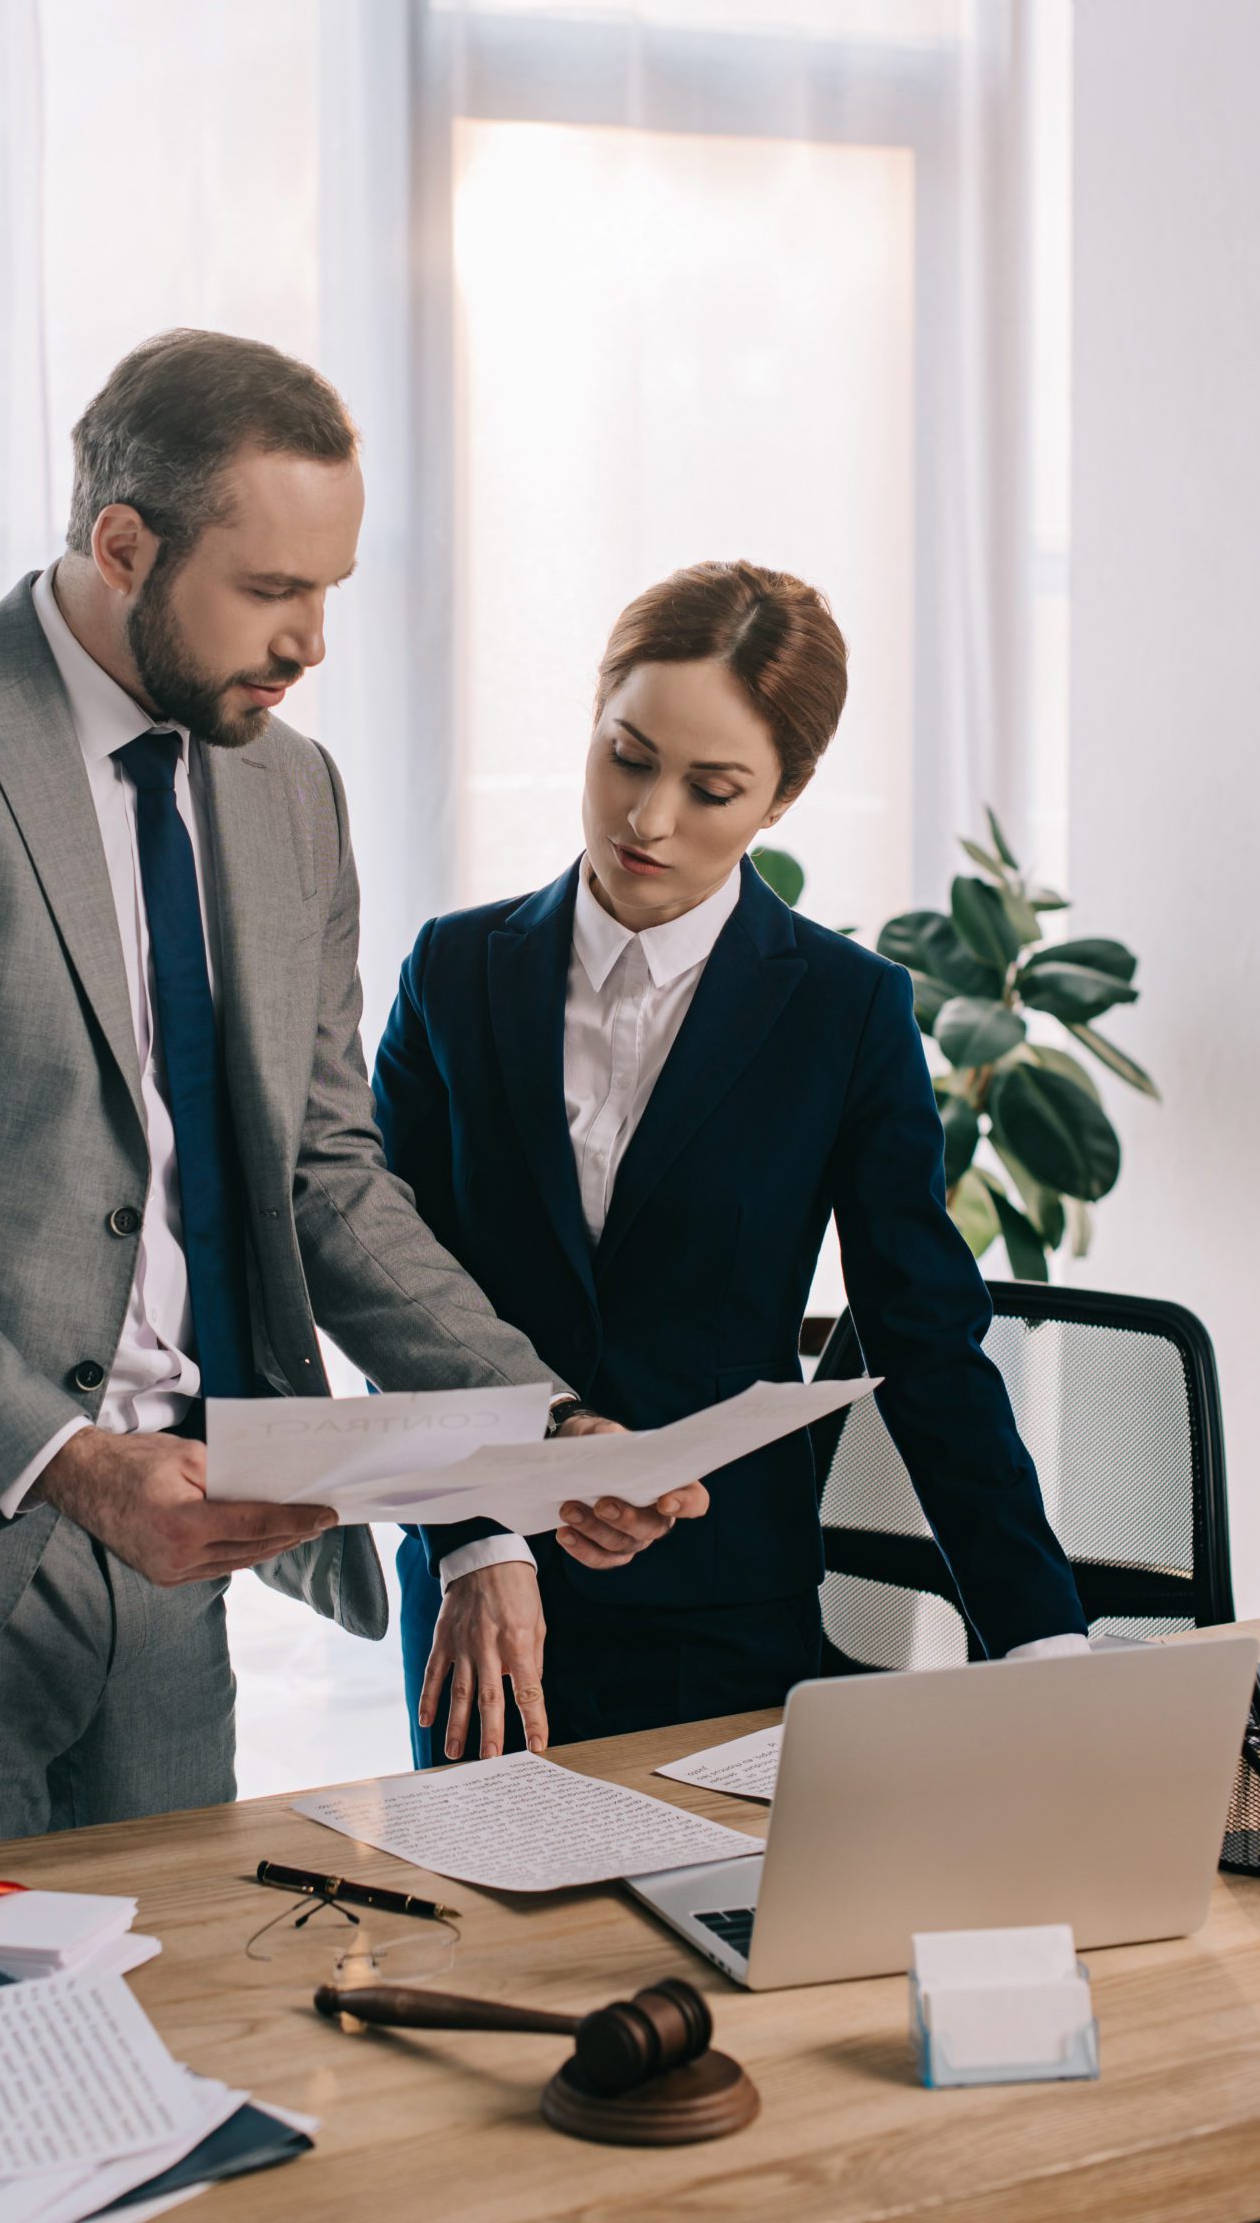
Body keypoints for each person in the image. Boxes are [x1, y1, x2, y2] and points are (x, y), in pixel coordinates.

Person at [0, 329, 705, 1862]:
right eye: (273, 592)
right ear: (122, 544)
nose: (311, 644)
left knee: (165, 2036)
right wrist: (68, 1462)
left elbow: (328, 1177)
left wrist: (535, 1425)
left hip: (180, 1565)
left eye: (332, 592)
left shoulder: (294, 791)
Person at [375, 559, 1089, 1768]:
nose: (647, 819)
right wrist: (479, 1539)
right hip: (486, 1593)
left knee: (726, 1939)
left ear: (783, 795)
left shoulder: (847, 1011)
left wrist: (1040, 1641)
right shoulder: (453, 971)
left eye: (711, 789)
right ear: (595, 712)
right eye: (626, 754)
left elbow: (922, 1337)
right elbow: (389, 1280)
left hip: (721, 1609)